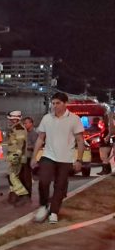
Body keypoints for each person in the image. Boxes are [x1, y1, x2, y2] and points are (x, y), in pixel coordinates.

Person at [30, 92, 85, 224]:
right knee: (43, 181)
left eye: (58, 103)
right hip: (48, 156)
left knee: (60, 186)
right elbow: (40, 138)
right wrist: (34, 157)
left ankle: (54, 211)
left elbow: (80, 140)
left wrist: (79, 159)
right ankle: (43, 206)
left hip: (65, 159)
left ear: (66, 103)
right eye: (53, 103)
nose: (55, 106)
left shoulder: (74, 119)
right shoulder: (47, 118)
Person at [5, 111, 30, 206]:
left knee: (12, 176)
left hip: (16, 156)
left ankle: (23, 194)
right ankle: (13, 195)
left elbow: (20, 144)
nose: (10, 121)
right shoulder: (15, 128)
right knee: (11, 176)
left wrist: (16, 156)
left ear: (16, 119)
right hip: (14, 155)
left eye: (11, 119)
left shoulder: (19, 129)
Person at [20, 116, 38, 197]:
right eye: (24, 123)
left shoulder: (34, 134)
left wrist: (27, 147)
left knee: (27, 176)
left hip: (29, 157)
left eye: (26, 123)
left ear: (31, 123)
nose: (25, 125)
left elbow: (36, 146)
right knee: (21, 176)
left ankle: (28, 194)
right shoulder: (24, 133)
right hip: (22, 157)